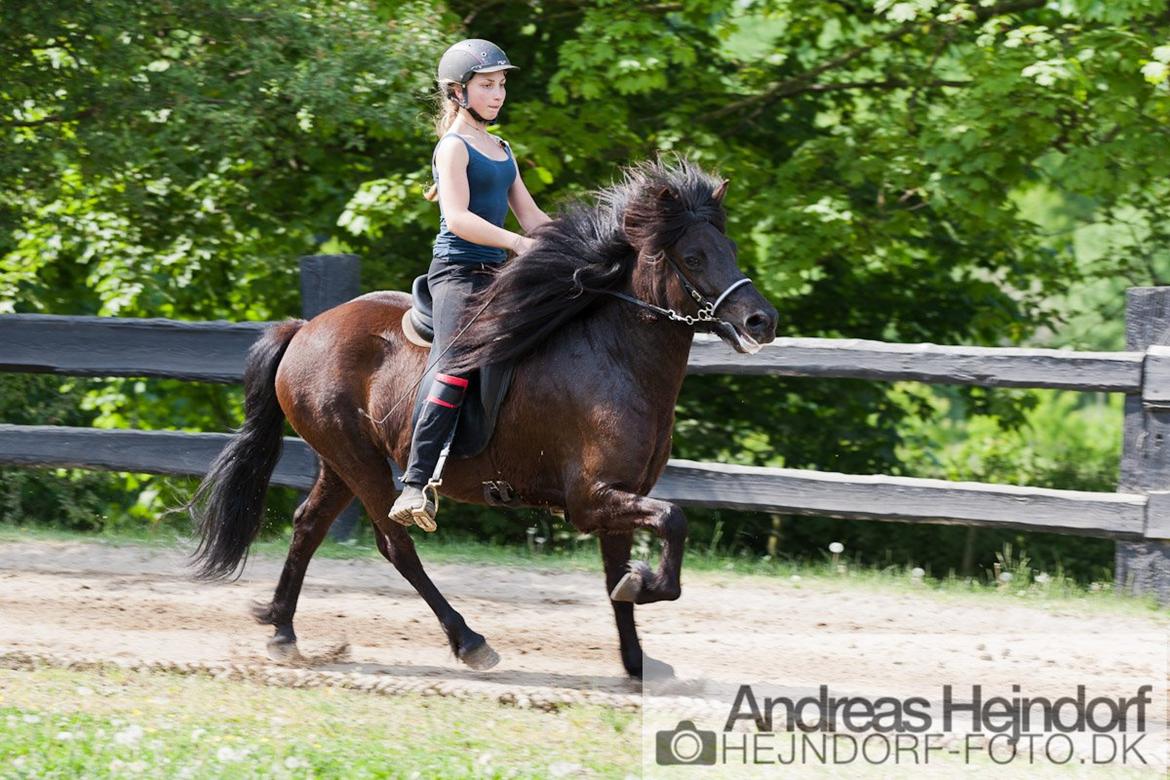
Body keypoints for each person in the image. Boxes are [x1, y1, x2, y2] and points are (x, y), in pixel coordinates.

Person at [389, 38, 552, 529]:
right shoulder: (453, 148)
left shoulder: (502, 149)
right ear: (459, 92)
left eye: (501, 84)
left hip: (497, 274)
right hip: (457, 274)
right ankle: (416, 484)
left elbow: (533, 217)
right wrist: (518, 245)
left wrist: (581, 242)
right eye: (487, 85)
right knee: (456, 365)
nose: (498, 93)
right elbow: (457, 218)